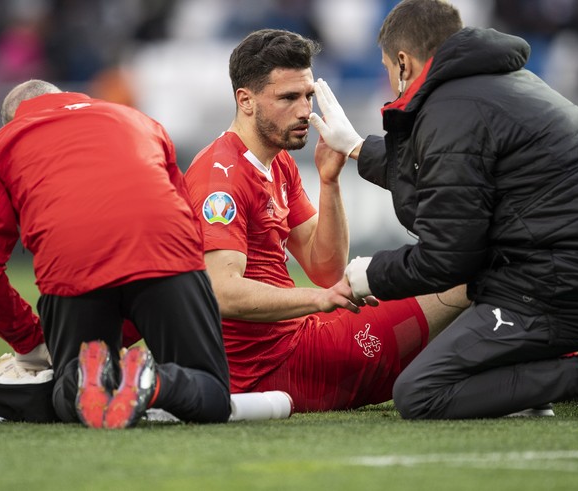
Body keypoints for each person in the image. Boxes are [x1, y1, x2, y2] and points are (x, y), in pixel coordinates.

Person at [311, 0, 578, 419]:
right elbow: (441, 176)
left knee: (420, 393)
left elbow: (447, 258)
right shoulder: (500, 83)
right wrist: (357, 147)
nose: (386, 77)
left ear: (403, 62)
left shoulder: (450, 108)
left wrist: (368, 275)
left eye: (385, 66)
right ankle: (529, 383)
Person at [183, 29, 471, 413]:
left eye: (307, 96)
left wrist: (329, 180)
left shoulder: (277, 159)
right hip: (276, 367)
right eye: (288, 98)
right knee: (467, 271)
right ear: (246, 101)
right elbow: (220, 291)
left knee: (460, 284)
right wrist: (319, 300)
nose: (305, 111)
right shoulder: (221, 178)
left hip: (301, 344)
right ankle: (564, 376)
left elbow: (325, 268)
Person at [0, 79, 231, 428]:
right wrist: (128, 335)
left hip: (73, 269)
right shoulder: (139, 120)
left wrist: (31, 340)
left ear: (12, 119)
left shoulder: (2, 144)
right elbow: (190, 221)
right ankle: (153, 380)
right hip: (166, 252)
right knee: (211, 395)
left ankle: (79, 377)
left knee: (67, 395)